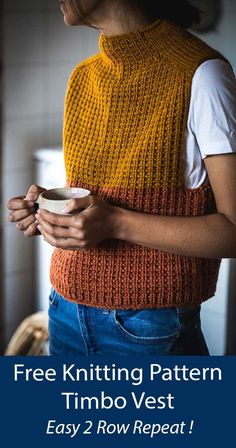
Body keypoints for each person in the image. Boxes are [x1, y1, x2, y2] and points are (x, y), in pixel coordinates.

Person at [7, 0, 236, 356]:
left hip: (149, 327)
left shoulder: (202, 74)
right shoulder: (83, 77)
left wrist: (114, 223)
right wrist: (49, 212)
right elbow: (96, 200)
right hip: (64, 308)